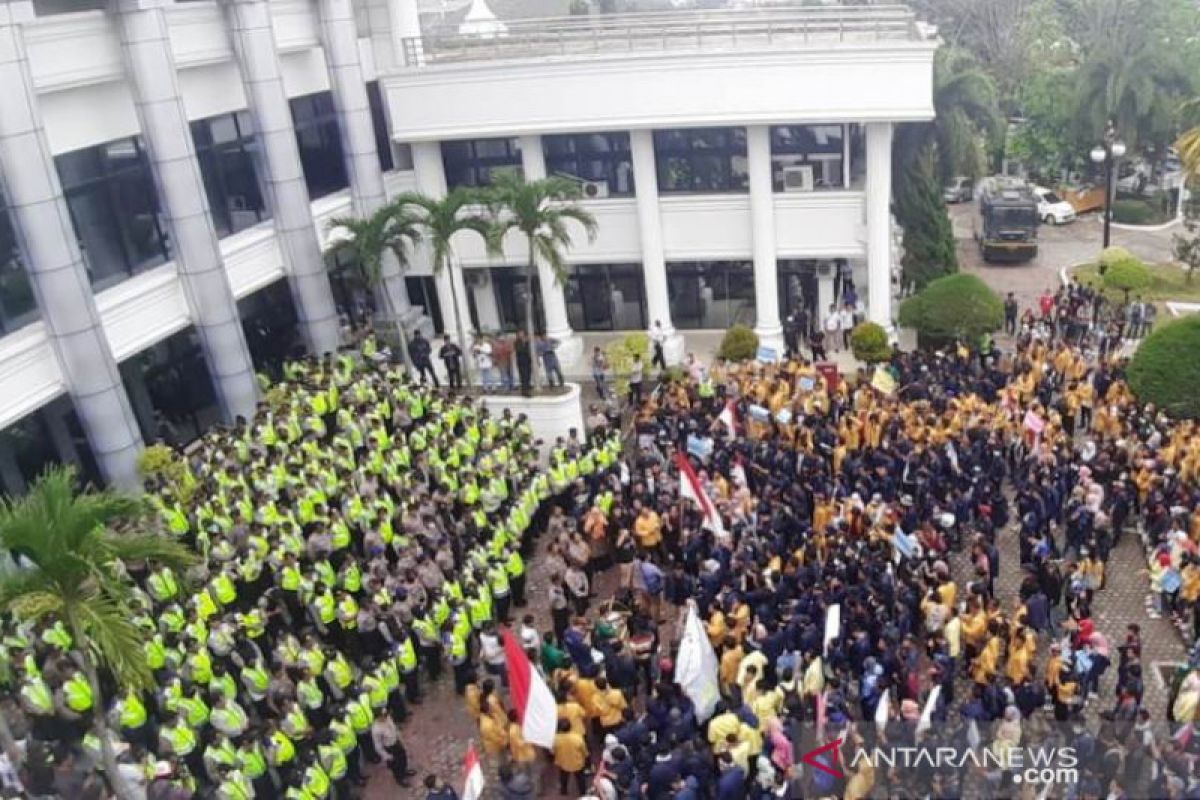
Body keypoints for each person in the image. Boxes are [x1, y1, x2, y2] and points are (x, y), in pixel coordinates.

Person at [552, 718, 589, 795]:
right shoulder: (577, 738)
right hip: (577, 762)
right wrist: (585, 757)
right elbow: (584, 750)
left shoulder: (556, 739)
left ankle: (563, 791)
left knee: (563, 777)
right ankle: (583, 793)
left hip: (563, 762)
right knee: (580, 779)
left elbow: (553, 751)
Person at [515, 331, 533, 396]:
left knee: (528, 375)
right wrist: (525, 343)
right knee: (524, 377)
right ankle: (525, 392)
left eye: (522, 334)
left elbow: (530, 350)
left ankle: (527, 386)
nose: (521, 335)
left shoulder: (527, 342)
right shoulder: (517, 342)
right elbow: (520, 351)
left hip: (528, 361)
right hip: (521, 362)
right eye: (520, 334)